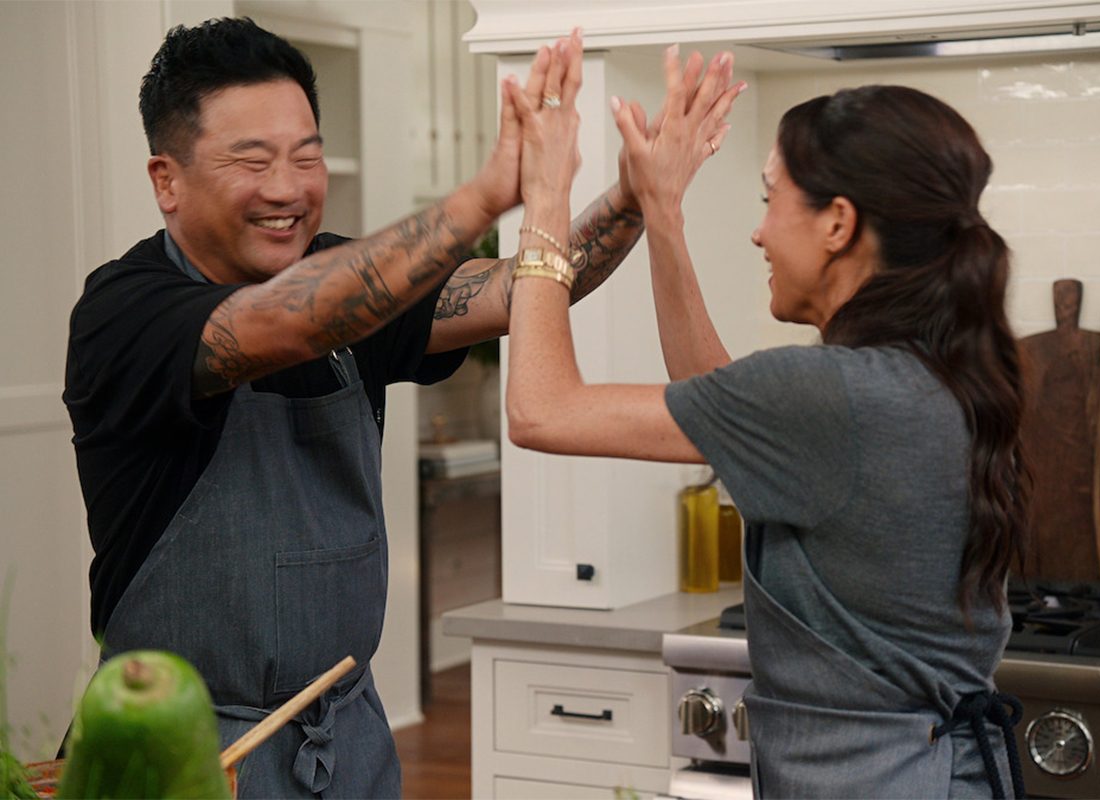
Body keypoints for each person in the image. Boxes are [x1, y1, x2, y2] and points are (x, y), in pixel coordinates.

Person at [61, 17, 678, 799]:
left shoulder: (341, 276)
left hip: (346, 742)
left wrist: (633, 195)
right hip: (182, 756)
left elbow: (518, 290)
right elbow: (291, 319)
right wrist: (490, 192)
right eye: (252, 161)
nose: (288, 188)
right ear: (166, 180)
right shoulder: (126, 311)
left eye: (306, 155)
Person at [505, 34, 1029, 800]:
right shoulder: (929, 372)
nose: (758, 231)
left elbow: (540, 412)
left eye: (768, 200)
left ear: (837, 223)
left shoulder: (833, 395)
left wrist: (546, 195)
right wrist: (661, 211)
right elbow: (722, 405)